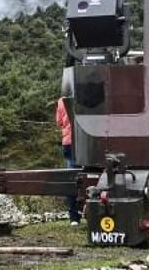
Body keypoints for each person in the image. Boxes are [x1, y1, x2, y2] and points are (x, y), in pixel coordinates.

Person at [55, 94, 82, 225]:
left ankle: (74, 217)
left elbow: (59, 121)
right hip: (84, 141)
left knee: (71, 177)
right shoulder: (85, 95)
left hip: (68, 142)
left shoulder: (61, 100)